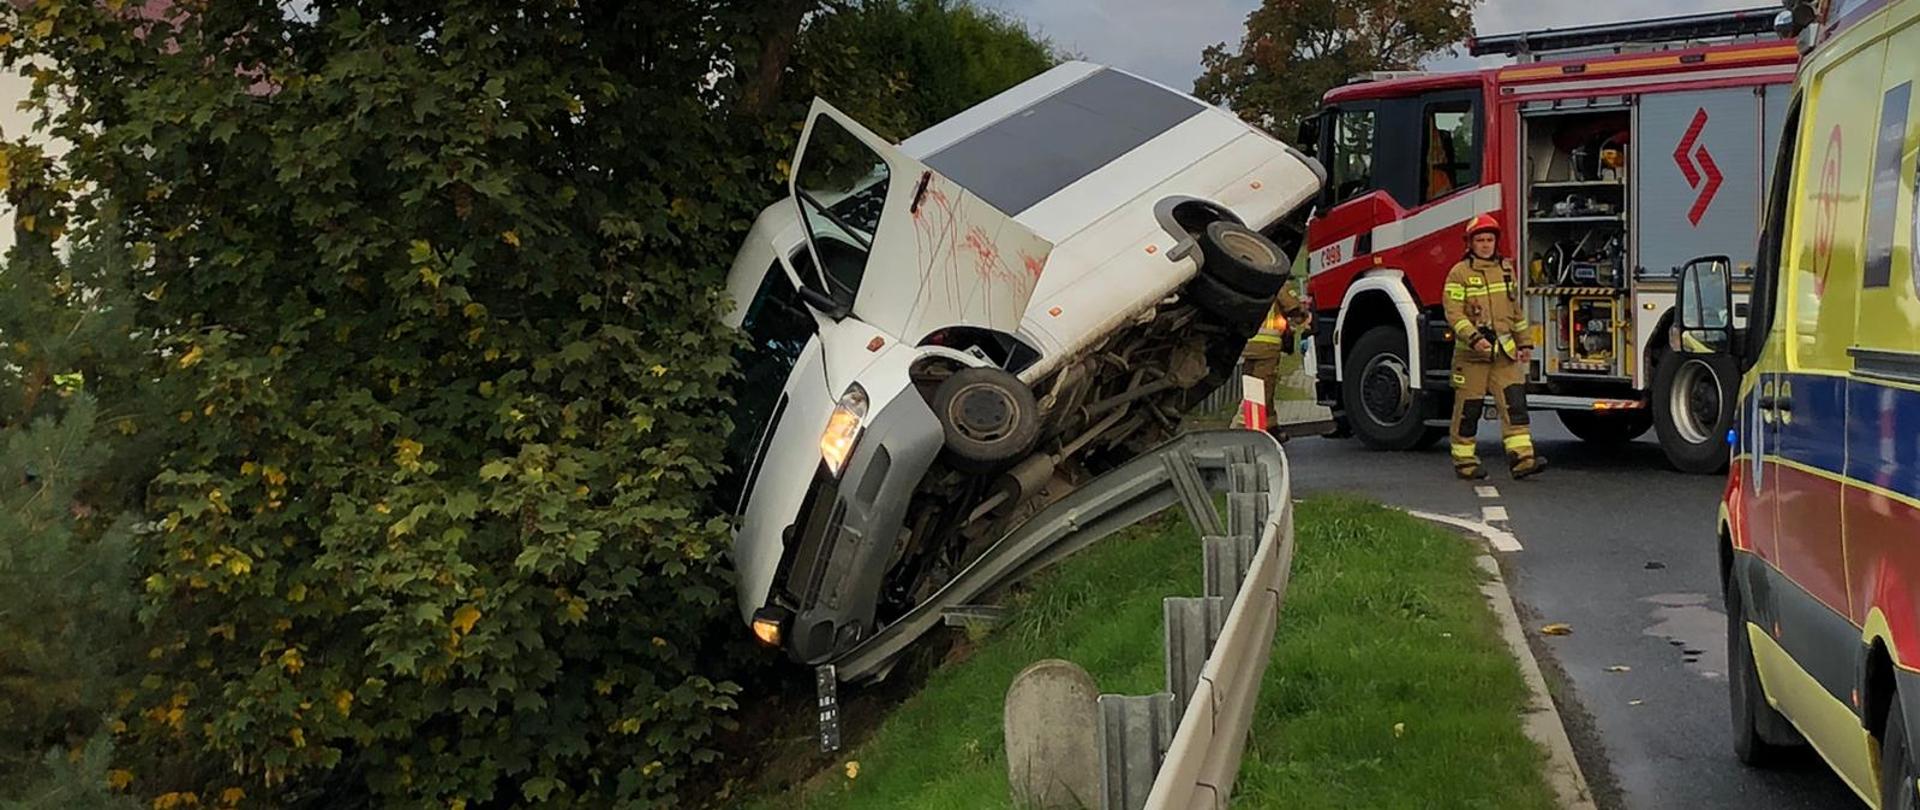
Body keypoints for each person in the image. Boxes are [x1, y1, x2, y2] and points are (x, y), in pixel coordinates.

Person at [1445, 214, 1546, 481]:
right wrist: (1475, 337)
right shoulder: (1459, 273)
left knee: (1515, 404)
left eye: (1490, 239)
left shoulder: (1505, 269)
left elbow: (1515, 311)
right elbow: (1454, 314)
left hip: (1504, 353)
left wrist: (1524, 342)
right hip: (1471, 357)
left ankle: (1522, 459)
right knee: (1469, 410)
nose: (1486, 244)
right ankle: (1464, 461)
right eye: (1480, 240)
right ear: (1470, 243)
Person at [1231, 285, 1312, 441]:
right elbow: (1291, 305)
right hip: (1268, 345)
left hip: (1249, 345)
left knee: (1255, 385)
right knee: (1262, 390)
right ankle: (1249, 431)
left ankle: (1271, 427)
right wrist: (1304, 316)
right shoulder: (1278, 284)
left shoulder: (1249, 285)